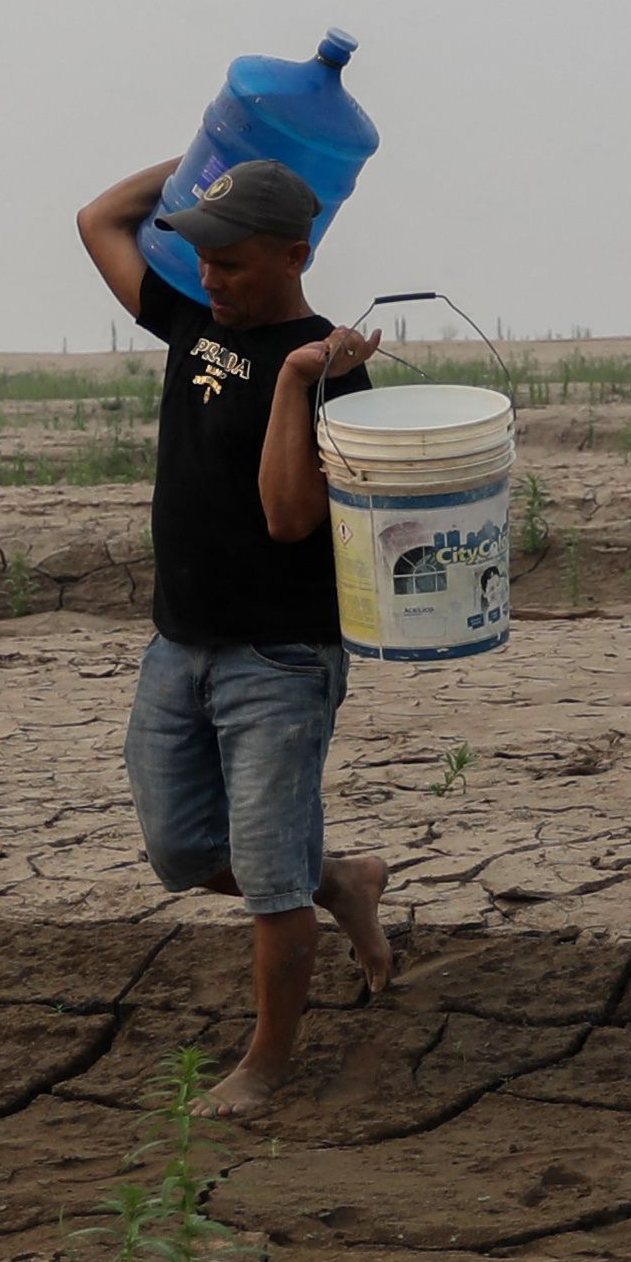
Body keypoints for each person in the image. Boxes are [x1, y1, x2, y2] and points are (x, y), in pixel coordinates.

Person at [68, 152, 397, 1113]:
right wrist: (217, 140)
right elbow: (98, 219)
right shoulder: (189, 315)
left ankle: (267, 1066)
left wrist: (296, 384)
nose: (210, 277)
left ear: (296, 255)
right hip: (179, 645)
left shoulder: (334, 377)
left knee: (266, 880)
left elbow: (290, 519)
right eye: (203, 256)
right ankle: (343, 881)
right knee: (179, 852)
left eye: (234, 262)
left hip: (280, 658)